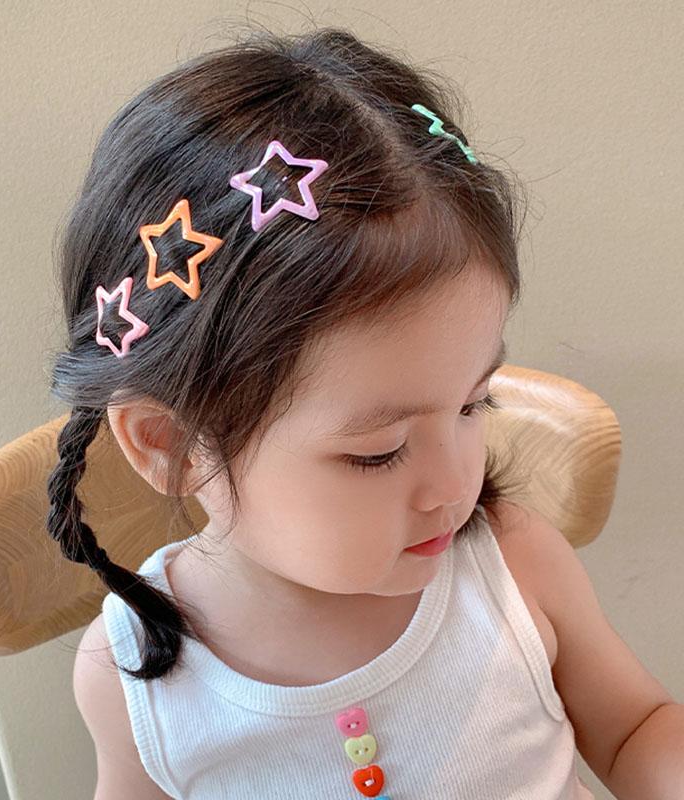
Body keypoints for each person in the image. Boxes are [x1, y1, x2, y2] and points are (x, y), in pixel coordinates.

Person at [46, 26, 676, 800]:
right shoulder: (138, 674)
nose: (456, 485)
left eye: (474, 403)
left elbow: (636, 727)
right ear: (172, 442)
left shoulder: (511, 564)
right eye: (378, 452)